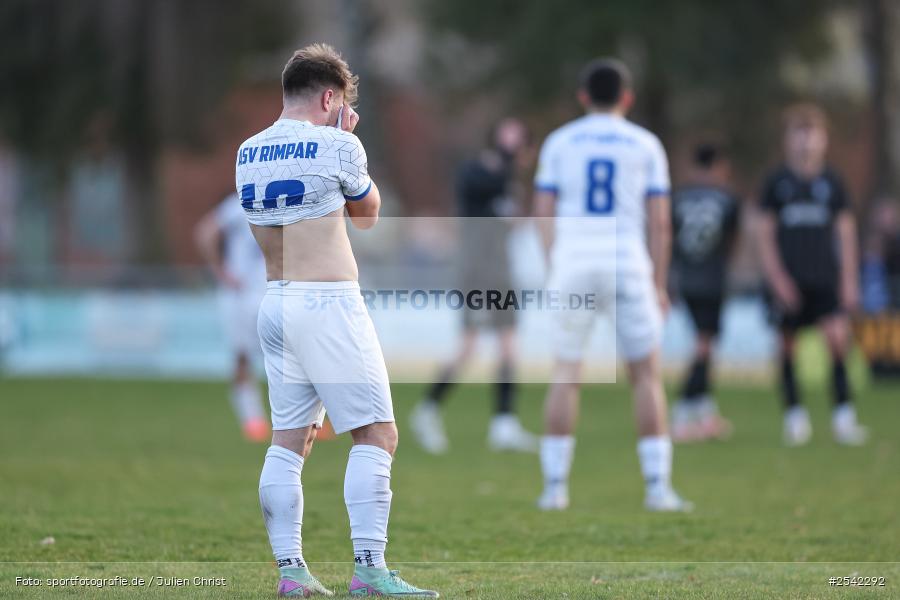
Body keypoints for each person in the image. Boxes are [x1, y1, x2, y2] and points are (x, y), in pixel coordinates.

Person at [236, 44, 437, 597]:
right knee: (377, 433)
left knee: (289, 441)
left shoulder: (247, 151)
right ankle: (370, 571)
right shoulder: (338, 143)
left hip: (274, 300)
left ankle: (291, 574)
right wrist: (349, 139)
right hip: (326, 302)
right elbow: (368, 217)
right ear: (331, 97)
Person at [533, 58, 692, 512]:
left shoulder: (560, 142)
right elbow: (660, 223)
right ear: (627, 98)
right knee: (645, 376)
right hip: (627, 264)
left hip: (575, 264)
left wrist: (555, 266)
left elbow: (542, 213)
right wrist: (660, 283)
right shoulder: (645, 144)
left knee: (566, 374)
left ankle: (554, 488)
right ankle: (658, 488)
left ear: (583, 97)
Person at [410, 118, 538, 454]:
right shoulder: (478, 173)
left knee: (509, 348)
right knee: (469, 346)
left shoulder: (510, 183)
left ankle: (504, 425)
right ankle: (428, 410)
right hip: (477, 272)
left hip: (500, 271)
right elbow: (484, 187)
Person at [757, 103, 867, 446]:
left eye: (812, 134)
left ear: (823, 140)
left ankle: (843, 417)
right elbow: (763, 235)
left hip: (825, 279)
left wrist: (850, 280)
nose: (805, 142)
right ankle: (794, 417)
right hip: (788, 279)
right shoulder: (776, 183)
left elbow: (845, 234)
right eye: (798, 134)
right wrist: (777, 280)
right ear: (787, 140)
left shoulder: (833, 182)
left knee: (837, 341)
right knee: (786, 346)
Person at [669, 143, 739, 442]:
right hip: (712, 279)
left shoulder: (678, 198)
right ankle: (682, 412)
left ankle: (706, 412)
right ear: (720, 166)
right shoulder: (728, 199)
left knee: (704, 344)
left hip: (686, 279)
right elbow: (731, 242)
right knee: (704, 345)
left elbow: (667, 236)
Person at [195, 194, 270, 442]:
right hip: (241, 294)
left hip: (274, 290)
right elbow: (206, 231)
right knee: (242, 357)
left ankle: (307, 420)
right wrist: (221, 271)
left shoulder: (287, 198)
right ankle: (252, 421)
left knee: (291, 355)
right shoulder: (241, 203)